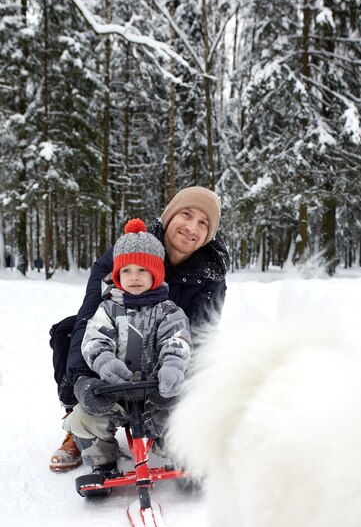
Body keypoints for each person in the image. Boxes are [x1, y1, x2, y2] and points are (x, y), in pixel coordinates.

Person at [49, 185, 230, 471]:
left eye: (203, 222)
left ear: (209, 234)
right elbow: (89, 320)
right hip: (116, 359)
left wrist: (177, 384)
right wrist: (82, 380)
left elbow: (198, 337)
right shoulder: (123, 255)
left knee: (207, 363)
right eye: (186, 214)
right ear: (169, 215)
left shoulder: (210, 274)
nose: (191, 227)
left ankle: (174, 431)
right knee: (69, 331)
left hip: (163, 361)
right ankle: (77, 424)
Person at [63, 218, 192, 477]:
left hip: (156, 393)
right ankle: (103, 461)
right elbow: (95, 340)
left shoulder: (169, 311)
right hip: (115, 393)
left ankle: (178, 454)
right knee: (82, 419)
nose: (134, 277)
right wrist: (105, 363)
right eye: (127, 271)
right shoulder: (107, 309)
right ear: (117, 275)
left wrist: (172, 367)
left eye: (142, 270)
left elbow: (176, 341)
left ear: (155, 273)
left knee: (184, 414)